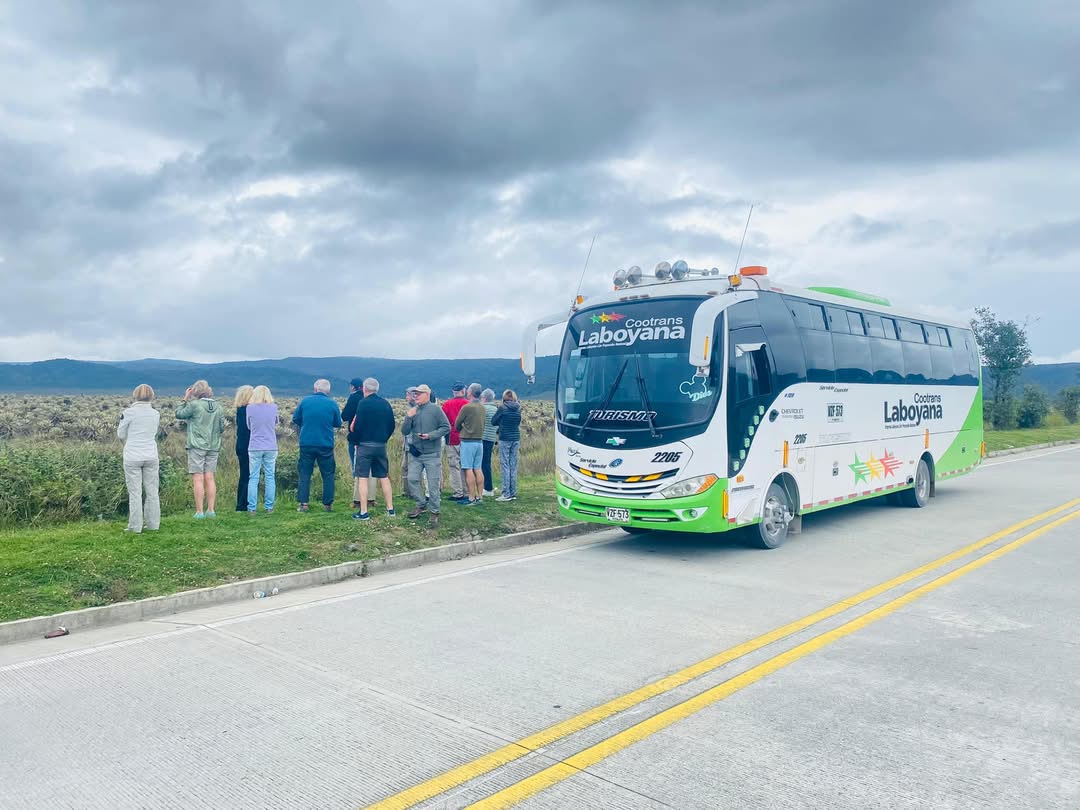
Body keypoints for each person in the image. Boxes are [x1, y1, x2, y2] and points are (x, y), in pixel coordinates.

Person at [176, 379, 226, 518]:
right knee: (210, 477)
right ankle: (211, 510)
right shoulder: (219, 407)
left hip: (196, 446)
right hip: (213, 446)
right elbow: (222, 427)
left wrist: (185, 398)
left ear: (195, 392)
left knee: (198, 478)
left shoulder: (194, 405)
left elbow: (179, 414)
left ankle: (199, 512)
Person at [403, 384, 450, 528]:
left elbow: (446, 427)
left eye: (419, 393)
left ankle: (435, 511)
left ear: (427, 395)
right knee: (412, 479)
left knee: (433, 483)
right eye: (415, 393)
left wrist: (430, 436)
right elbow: (404, 431)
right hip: (416, 453)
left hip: (432, 453)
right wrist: (408, 418)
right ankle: (421, 503)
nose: (416, 396)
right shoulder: (413, 411)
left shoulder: (436, 410)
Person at [292, 378, 342, 512]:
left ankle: (304, 504)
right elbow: (338, 423)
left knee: (305, 473)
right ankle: (327, 504)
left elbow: (296, 419)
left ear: (315, 389)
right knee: (328, 474)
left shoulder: (305, 401)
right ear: (328, 390)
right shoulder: (332, 404)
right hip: (325, 444)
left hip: (306, 443)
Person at [350, 377, 397, 520]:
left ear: (364, 389)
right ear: (377, 389)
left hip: (365, 445)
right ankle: (390, 509)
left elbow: (358, 426)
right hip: (380, 445)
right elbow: (392, 425)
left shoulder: (362, 404)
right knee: (384, 476)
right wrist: (383, 438)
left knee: (363, 477)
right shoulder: (385, 404)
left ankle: (364, 512)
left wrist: (355, 440)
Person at [117, 384, 160, 533]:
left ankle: (135, 527)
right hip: (151, 455)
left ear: (135, 395)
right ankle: (154, 524)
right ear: (151, 396)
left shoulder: (128, 412)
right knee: (152, 491)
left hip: (132, 456)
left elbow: (121, 434)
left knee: (135, 493)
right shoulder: (156, 414)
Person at [341, 377, 376, 511]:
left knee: (358, 468)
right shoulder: (374, 400)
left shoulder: (354, 398)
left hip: (357, 438)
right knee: (372, 470)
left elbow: (344, 416)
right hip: (373, 438)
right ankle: (371, 498)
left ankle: (357, 500)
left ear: (353, 387)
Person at [246, 385, 279, 513]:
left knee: (253, 477)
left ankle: (252, 508)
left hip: (255, 446)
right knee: (270, 476)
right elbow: (276, 423)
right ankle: (269, 507)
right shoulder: (274, 407)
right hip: (271, 446)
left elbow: (249, 425)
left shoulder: (250, 408)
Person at [454, 383, 487, 505]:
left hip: (468, 442)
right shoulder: (483, 407)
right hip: (479, 441)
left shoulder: (467, 407)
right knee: (478, 468)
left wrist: (463, 427)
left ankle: (471, 498)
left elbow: (457, 424)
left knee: (468, 469)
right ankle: (480, 496)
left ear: (470, 392)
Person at [441, 382, 468, 502]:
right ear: (463, 391)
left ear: (453, 392)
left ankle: (458, 492)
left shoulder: (447, 404)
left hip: (452, 438)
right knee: (466, 465)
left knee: (454, 465)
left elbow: (442, 421)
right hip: (466, 437)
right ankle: (467, 490)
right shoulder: (468, 404)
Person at [493, 389, 522, 502]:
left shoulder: (502, 408)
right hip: (516, 438)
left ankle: (506, 493)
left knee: (505, 465)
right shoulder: (518, 408)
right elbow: (518, 422)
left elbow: (493, 421)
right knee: (513, 465)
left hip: (505, 438)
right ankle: (513, 492)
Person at [233, 385, 253, 512]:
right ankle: (244, 504)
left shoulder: (239, 410)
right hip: (249, 445)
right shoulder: (250, 411)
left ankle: (241, 503)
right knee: (249, 475)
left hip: (240, 445)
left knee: (244, 475)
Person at [481, 388, 498, 497]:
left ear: (484, 398)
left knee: (483, 464)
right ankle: (487, 487)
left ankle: (487, 488)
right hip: (491, 439)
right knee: (486, 463)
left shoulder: (483, 408)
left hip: (483, 438)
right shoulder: (495, 409)